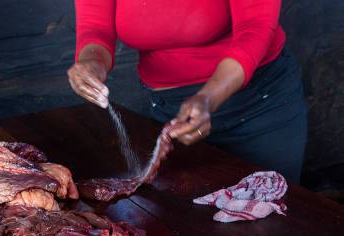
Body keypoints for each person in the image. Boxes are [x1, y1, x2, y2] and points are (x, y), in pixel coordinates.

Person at [68, 0, 307, 183]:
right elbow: (95, 26)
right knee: (188, 234)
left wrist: (209, 97)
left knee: (269, 235)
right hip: (174, 114)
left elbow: (255, 26)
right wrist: (92, 63)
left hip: (258, 108)